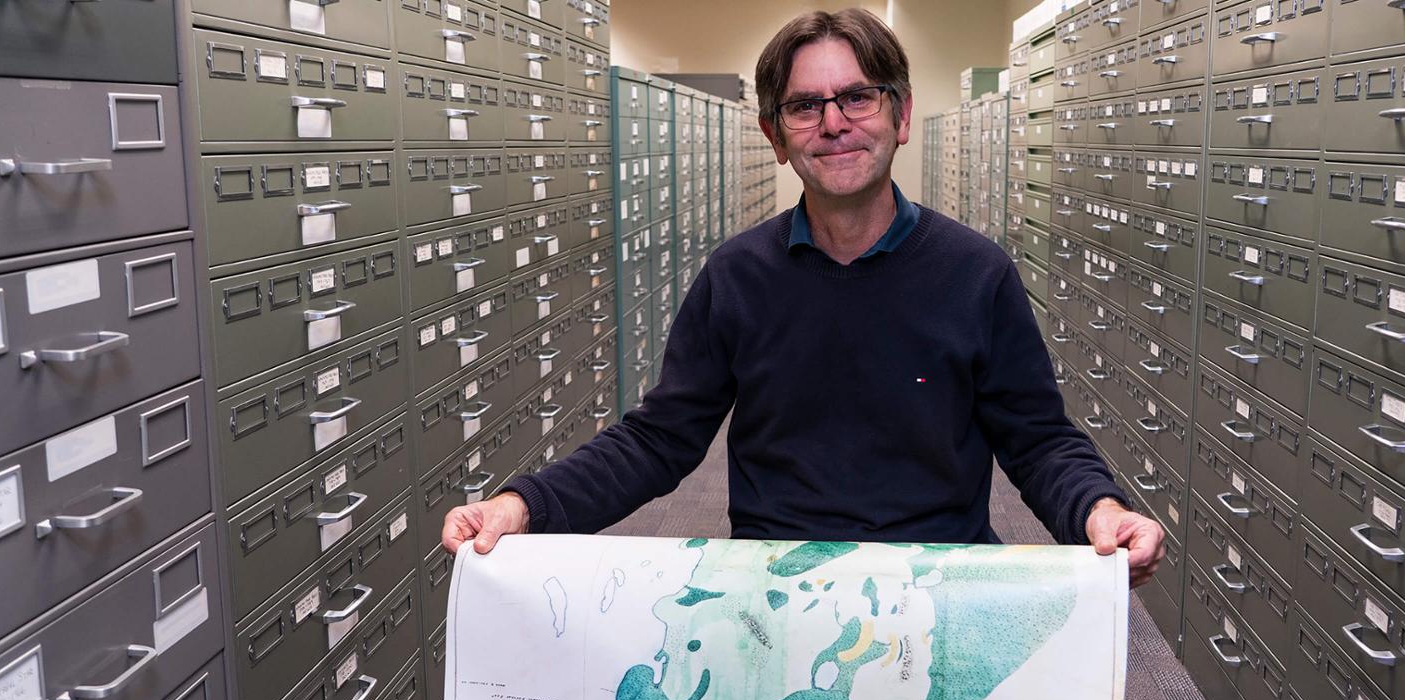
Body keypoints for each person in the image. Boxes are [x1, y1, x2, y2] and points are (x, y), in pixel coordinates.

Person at [442, 7, 1165, 586]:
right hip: (777, 584)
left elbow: (1037, 439)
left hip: (939, 578)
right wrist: (526, 504)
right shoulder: (737, 275)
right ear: (775, 137)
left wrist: (1098, 510)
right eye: (804, 107)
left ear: (900, 116)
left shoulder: (977, 273)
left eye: (858, 97)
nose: (834, 123)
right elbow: (660, 438)